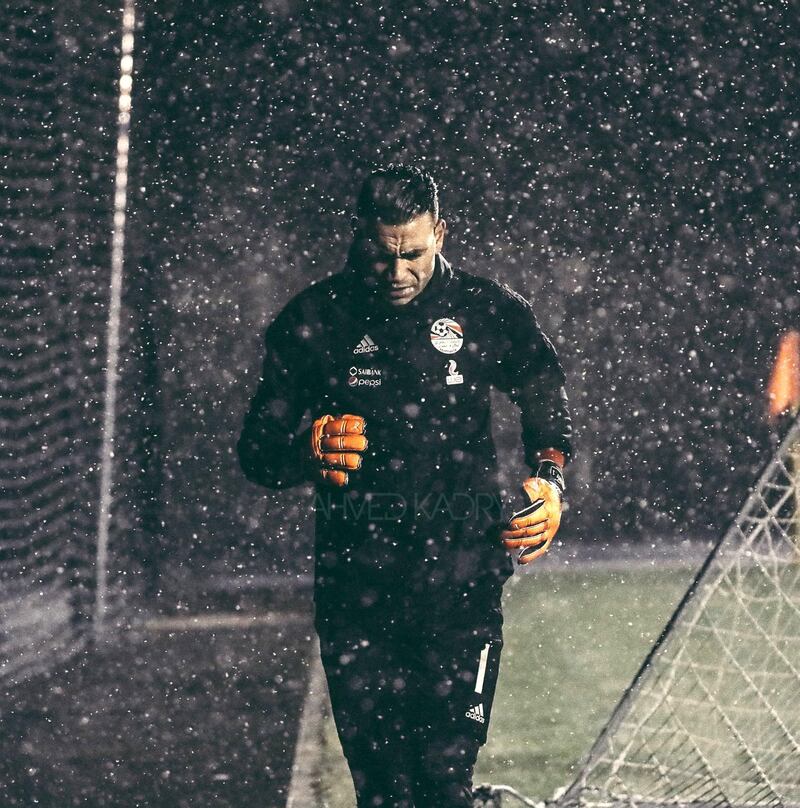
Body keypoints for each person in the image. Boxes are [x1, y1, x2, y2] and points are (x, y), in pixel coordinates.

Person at [237, 164, 573, 807]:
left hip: (462, 577)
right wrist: (303, 450)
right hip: (355, 587)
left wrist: (551, 481)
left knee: (443, 782)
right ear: (359, 239)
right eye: (382, 255)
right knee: (383, 791)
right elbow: (257, 453)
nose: (398, 274)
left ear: (439, 235)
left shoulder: (486, 310)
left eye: (413, 254)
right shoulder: (315, 319)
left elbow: (544, 395)